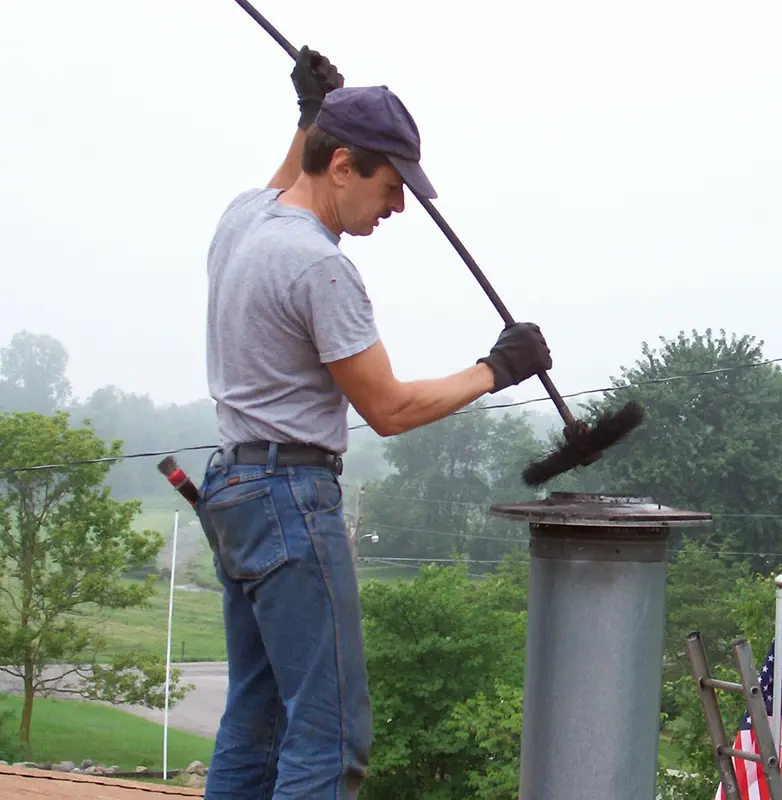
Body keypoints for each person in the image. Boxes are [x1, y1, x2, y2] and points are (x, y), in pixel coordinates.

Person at [194, 47, 552, 799]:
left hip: (232, 490)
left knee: (257, 719)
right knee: (330, 735)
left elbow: (288, 177)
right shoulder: (321, 267)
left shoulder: (244, 223)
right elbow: (387, 410)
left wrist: (306, 116)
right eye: (391, 189)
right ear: (345, 165)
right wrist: (496, 369)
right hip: (289, 500)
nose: (396, 209)